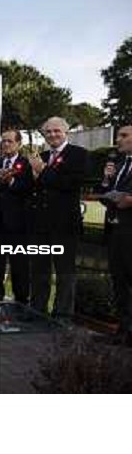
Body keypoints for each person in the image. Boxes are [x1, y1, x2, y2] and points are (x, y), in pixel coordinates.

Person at [28, 117, 87, 319]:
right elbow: (34, 189)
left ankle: (62, 315)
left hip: (65, 225)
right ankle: (37, 311)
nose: (52, 135)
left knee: (65, 273)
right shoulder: (42, 155)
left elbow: (70, 184)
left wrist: (43, 171)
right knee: (39, 271)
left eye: (56, 131)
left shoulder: (78, 154)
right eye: (48, 132)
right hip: (40, 225)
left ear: (66, 132)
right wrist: (35, 177)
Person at [0, 129, 34, 304]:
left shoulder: (27, 164)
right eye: (3, 141)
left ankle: (21, 301)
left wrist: (11, 181)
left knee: (19, 265)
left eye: (10, 141)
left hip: (19, 225)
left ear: (19, 144)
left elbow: (29, 188)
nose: (6, 144)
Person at [95, 125, 132, 345]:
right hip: (115, 230)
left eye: (124, 136)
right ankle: (123, 330)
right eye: (118, 135)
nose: (118, 139)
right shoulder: (118, 166)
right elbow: (103, 196)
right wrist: (107, 180)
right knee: (119, 281)